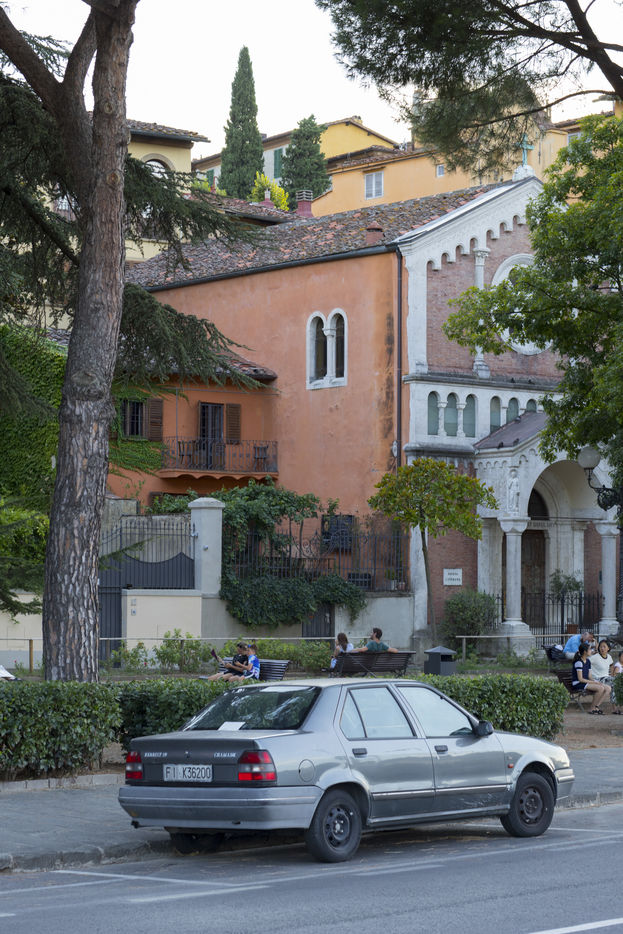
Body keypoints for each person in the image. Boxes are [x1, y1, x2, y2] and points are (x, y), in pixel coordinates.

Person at [571, 641, 610, 714]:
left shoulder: (588, 661)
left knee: (607, 688)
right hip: (578, 683)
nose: (591, 651)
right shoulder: (579, 662)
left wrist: (596, 681)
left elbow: (589, 676)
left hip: (585, 682)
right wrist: (593, 682)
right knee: (600, 688)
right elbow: (580, 679)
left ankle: (596, 707)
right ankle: (592, 708)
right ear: (585, 652)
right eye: (589, 649)